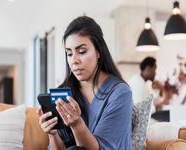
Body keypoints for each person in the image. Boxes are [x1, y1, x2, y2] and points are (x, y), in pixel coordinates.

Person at [36, 16, 132, 150]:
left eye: (81, 52)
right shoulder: (65, 91)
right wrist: (53, 134)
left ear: (98, 51)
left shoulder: (119, 93)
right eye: (69, 54)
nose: (74, 61)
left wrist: (77, 124)